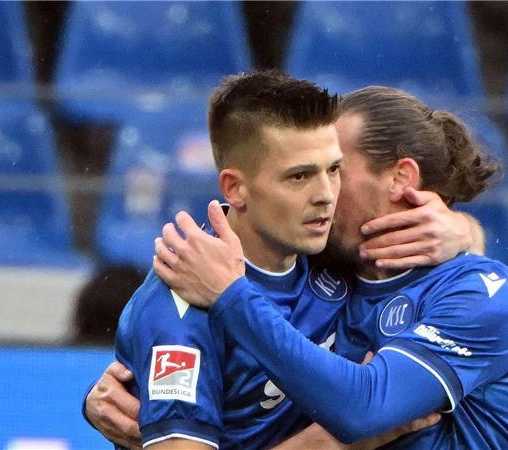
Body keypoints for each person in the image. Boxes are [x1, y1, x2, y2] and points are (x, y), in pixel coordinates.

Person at [85, 72, 485, 449]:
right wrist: (344, 440)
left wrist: (464, 229)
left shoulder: (327, 247)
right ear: (235, 188)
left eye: (334, 170)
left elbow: (461, 280)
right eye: (299, 177)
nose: (326, 195)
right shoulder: (182, 309)